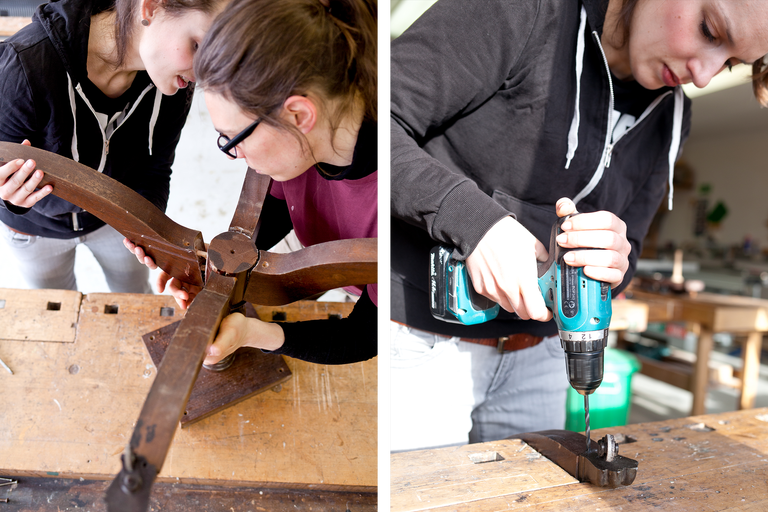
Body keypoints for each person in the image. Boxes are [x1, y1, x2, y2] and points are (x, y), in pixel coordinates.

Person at [389, 0, 768, 452]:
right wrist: (472, 220)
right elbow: (371, 126)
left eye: (730, 64)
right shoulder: (524, 13)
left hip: (543, 355)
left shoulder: (674, 116)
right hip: (422, 342)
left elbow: (628, 249)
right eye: (709, 30)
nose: (704, 75)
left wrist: (615, 259)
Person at [125, 0, 380, 364]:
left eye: (234, 138)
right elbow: (273, 206)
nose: (234, 155)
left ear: (298, 114)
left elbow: (366, 334)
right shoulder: (304, 144)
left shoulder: (391, 208)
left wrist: (254, 333)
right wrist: (216, 271)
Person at [0, 0, 227, 293]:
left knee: (133, 293)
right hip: (34, 230)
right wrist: (8, 196)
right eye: (197, 45)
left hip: (117, 223)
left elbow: (156, 167)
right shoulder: (23, 66)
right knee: (58, 309)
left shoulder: (173, 79)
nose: (202, 73)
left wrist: (148, 232)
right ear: (151, 7)